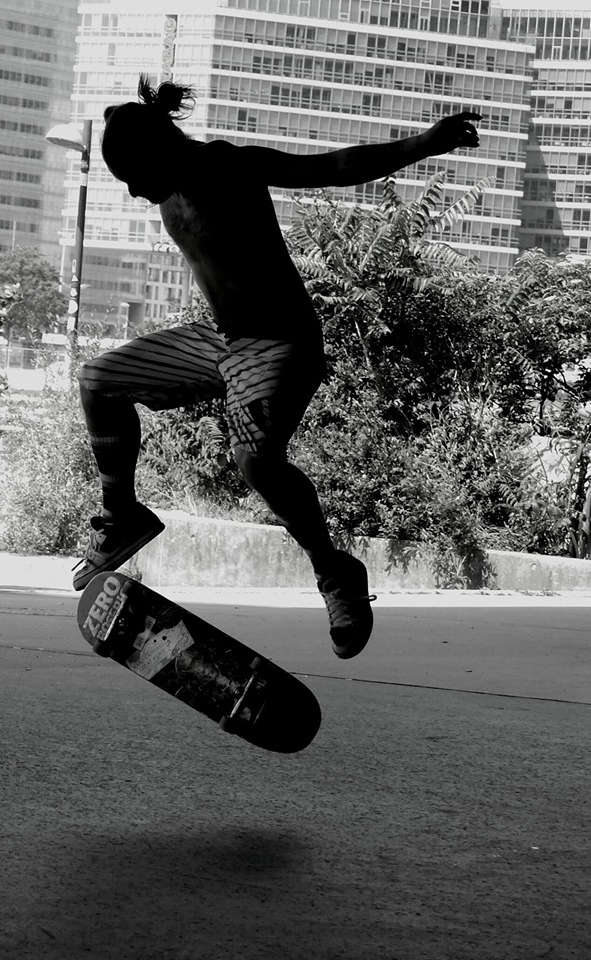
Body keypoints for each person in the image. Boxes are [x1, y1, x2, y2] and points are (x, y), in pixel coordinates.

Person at [74, 75, 480, 658]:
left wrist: (424, 143)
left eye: (137, 178)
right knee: (98, 380)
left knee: (253, 460)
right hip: (221, 340)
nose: (138, 193)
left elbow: (334, 167)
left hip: (282, 341)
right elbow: (131, 127)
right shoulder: (162, 179)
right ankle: (122, 516)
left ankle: (336, 573)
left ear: (160, 151)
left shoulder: (226, 167)